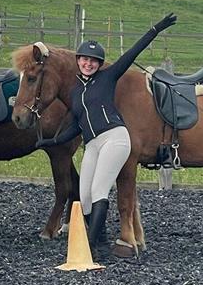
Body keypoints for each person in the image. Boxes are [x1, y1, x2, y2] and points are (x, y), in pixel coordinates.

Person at [36, 14, 178, 259]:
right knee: (85, 195)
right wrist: (50, 141)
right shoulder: (77, 91)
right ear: (78, 61)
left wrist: (155, 29)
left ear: (99, 64)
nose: (88, 64)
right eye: (84, 59)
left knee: (100, 190)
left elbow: (131, 54)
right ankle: (101, 244)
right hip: (93, 144)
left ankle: (90, 248)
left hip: (115, 138)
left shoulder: (107, 78)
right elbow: (76, 128)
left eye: (93, 61)